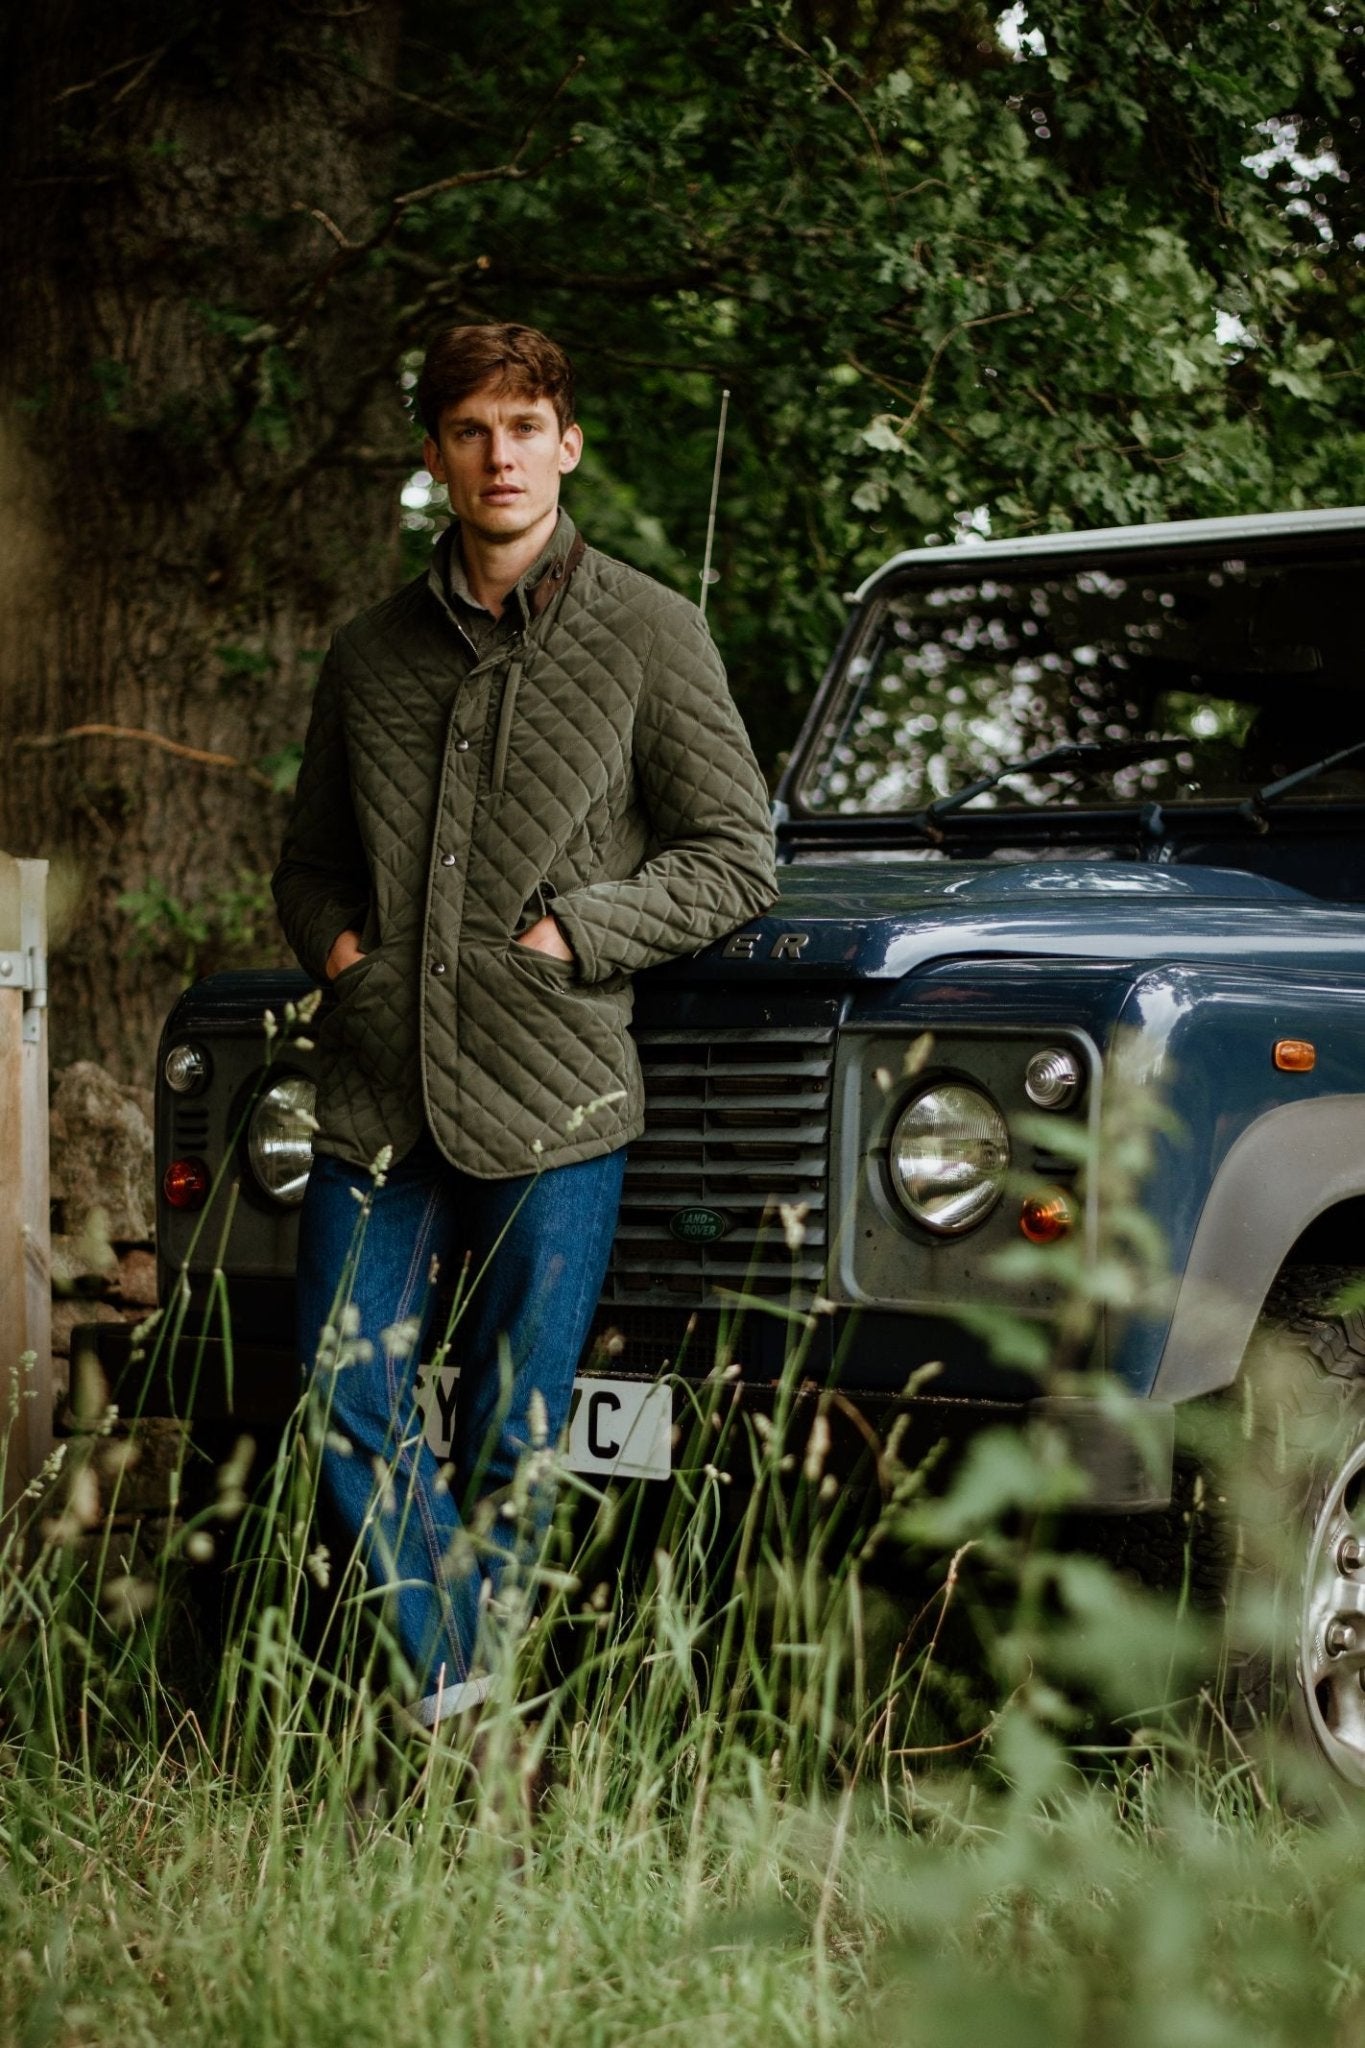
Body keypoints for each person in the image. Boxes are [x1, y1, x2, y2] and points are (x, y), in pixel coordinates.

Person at [272, 322, 777, 1730]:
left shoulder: (647, 629)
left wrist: (578, 934)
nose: (500, 454)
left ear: (567, 442)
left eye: (525, 425)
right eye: (470, 430)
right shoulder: (368, 653)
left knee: (512, 1432)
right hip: (376, 1085)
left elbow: (736, 855)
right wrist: (345, 958)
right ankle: (460, 1708)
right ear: (434, 455)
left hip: (554, 1089)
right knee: (340, 1402)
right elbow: (306, 863)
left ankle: (457, 1724)